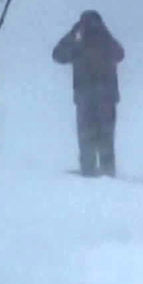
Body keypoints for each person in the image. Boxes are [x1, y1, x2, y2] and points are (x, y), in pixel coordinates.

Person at [52, 9, 125, 177]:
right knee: (105, 136)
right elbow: (120, 54)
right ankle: (107, 172)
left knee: (87, 136)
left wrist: (73, 35)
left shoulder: (80, 44)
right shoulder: (103, 40)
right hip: (105, 97)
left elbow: (58, 55)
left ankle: (89, 172)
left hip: (87, 97)